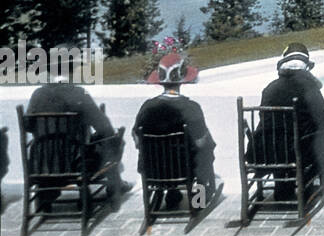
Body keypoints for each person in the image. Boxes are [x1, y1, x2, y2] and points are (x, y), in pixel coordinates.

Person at [28, 48, 130, 211]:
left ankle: (47, 191)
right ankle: (114, 186)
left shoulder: (37, 94)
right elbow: (104, 128)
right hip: (74, 164)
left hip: (42, 164)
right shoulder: (78, 94)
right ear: (71, 70)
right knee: (115, 139)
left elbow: (28, 126)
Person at [133, 53, 219, 209]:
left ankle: (172, 193)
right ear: (182, 80)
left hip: (153, 169)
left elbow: (137, 139)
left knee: (167, 154)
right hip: (184, 168)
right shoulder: (191, 108)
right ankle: (199, 198)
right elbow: (200, 142)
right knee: (206, 150)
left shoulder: (147, 107)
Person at [252, 43, 324, 199]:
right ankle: (307, 183)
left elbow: (263, 118)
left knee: (284, 138)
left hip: (266, 151)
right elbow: (323, 120)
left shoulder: (270, 88)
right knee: (317, 136)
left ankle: (283, 185)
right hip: (296, 152)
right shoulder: (309, 87)